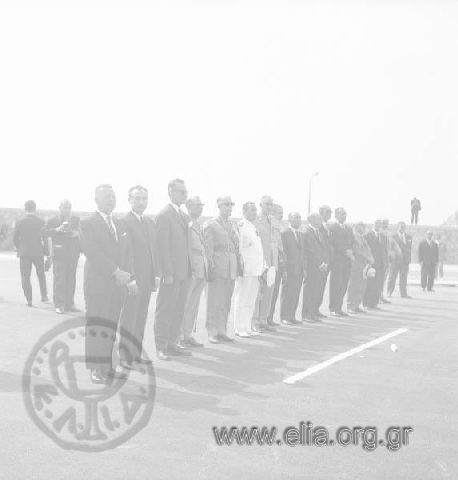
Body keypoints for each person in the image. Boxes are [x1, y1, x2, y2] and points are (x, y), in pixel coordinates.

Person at [81, 185, 137, 384]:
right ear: (95, 199)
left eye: (113, 196)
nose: (111, 200)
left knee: (111, 328)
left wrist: (128, 278)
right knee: (97, 327)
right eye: (106, 197)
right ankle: (95, 369)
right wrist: (115, 271)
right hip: (98, 285)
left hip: (117, 285)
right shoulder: (88, 223)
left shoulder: (119, 224)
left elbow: (126, 252)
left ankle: (107, 367)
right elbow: (92, 252)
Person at [118, 186, 158, 368]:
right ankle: (125, 356)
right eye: (137, 198)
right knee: (129, 317)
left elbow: (153, 251)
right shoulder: (124, 222)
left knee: (141, 316)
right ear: (130, 200)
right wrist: (131, 279)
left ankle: (136, 354)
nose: (141, 202)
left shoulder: (149, 223)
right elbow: (126, 255)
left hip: (147, 278)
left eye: (144, 198)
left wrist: (155, 275)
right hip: (133, 280)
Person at [154, 179, 192, 360]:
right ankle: (161, 346)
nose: (184, 195)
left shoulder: (184, 216)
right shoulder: (164, 215)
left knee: (178, 310)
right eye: (181, 192)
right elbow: (161, 247)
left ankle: (172, 343)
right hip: (171, 274)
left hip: (184, 273)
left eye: (185, 192)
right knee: (165, 310)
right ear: (170, 192)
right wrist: (166, 273)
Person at [204, 196, 239, 343]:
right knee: (214, 301)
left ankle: (222, 330)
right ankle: (212, 331)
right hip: (217, 266)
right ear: (218, 206)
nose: (229, 207)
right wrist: (210, 267)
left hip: (231, 267)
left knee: (225, 302)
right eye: (226, 205)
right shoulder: (211, 224)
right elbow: (208, 249)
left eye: (231, 205)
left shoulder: (232, 224)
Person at [43, 200, 81, 314]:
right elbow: (43, 232)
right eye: (65, 207)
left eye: (69, 207)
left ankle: (69, 304)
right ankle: (59, 304)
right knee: (60, 280)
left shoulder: (75, 219)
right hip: (59, 254)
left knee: (71, 280)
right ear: (59, 208)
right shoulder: (53, 220)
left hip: (73, 254)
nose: (67, 210)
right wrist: (57, 229)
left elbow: (82, 232)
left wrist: (77, 233)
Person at [234, 202, 264, 337]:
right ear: (244, 211)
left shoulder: (253, 227)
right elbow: (239, 249)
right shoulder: (241, 226)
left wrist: (263, 266)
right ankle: (239, 328)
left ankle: (247, 326)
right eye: (252, 210)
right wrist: (240, 267)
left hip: (256, 269)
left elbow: (258, 250)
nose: (255, 213)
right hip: (246, 269)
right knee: (242, 299)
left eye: (255, 210)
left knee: (251, 300)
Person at [181, 196, 207, 347]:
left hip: (201, 267)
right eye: (198, 205)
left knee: (193, 304)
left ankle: (187, 334)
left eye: (201, 205)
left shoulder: (197, 224)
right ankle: (178, 336)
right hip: (191, 268)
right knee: (184, 303)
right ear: (189, 206)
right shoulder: (185, 222)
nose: (201, 208)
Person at [13, 200, 49, 306]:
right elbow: (45, 238)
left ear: (25, 209)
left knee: (25, 276)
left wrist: (19, 248)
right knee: (41, 275)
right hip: (38, 251)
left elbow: (15, 239)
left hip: (24, 252)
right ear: (35, 208)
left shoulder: (20, 222)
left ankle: (29, 300)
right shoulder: (41, 221)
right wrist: (46, 252)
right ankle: (44, 296)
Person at [252, 196, 278, 332]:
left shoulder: (273, 221)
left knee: (268, 294)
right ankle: (255, 322)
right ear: (260, 205)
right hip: (260, 263)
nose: (270, 206)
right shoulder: (256, 220)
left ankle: (263, 320)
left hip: (272, 263)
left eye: (271, 204)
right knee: (257, 294)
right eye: (267, 204)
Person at [302, 213, 329, 322]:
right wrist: (320, 263)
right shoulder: (307, 232)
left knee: (317, 290)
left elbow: (324, 248)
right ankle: (307, 314)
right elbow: (310, 250)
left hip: (321, 266)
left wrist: (325, 262)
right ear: (311, 220)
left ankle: (313, 311)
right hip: (312, 266)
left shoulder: (318, 232)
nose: (321, 220)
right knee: (310, 290)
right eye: (318, 219)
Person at [280, 212, 305, 326]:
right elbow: (283, 252)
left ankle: (292, 316)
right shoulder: (284, 234)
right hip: (289, 268)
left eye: (299, 218)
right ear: (289, 220)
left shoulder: (301, 234)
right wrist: (284, 269)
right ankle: (284, 316)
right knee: (287, 293)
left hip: (299, 269)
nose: (298, 220)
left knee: (295, 293)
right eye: (296, 218)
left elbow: (303, 253)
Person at [329, 207, 354, 316]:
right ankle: (333, 308)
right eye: (341, 214)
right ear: (336, 215)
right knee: (336, 285)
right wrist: (345, 251)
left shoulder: (348, 228)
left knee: (343, 285)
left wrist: (350, 251)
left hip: (347, 261)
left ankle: (339, 307)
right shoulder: (332, 228)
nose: (344, 216)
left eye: (345, 214)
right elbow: (333, 243)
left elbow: (352, 242)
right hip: (337, 261)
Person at [347, 222, 374, 313]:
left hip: (364, 266)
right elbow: (357, 251)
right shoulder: (354, 237)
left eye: (364, 226)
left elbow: (368, 250)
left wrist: (371, 258)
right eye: (361, 226)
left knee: (362, 286)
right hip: (356, 265)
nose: (363, 228)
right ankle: (351, 306)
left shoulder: (363, 238)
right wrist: (368, 258)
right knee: (354, 286)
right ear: (356, 227)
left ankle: (357, 305)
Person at [267, 203, 284, 327]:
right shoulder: (271, 224)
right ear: (272, 213)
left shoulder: (279, 225)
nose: (282, 215)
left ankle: (269, 318)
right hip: (271, 262)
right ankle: (265, 318)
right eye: (279, 212)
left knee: (274, 292)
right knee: (269, 293)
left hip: (278, 262)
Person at [387, 221, 412, 298]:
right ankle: (389, 292)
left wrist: (408, 259)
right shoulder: (393, 236)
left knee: (403, 278)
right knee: (392, 277)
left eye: (403, 227)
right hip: (395, 261)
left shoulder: (409, 237)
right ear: (398, 227)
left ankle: (403, 294)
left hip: (405, 261)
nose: (402, 228)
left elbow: (409, 248)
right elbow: (390, 248)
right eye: (401, 226)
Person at [363, 219, 385, 310]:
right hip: (371, 264)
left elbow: (385, 250)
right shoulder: (368, 235)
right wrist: (368, 261)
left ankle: (374, 303)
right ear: (373, 224)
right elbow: (365, 249)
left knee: (378, 285)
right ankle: (367, 303)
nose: (378, 226)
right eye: (377, 224)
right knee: (370, 285)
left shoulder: (383, 236)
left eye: (380, 224)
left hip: (381, 264)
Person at [317, 205, 333, 318]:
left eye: (330, 212)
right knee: (316, 287)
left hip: (327, 262)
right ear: (321, 213)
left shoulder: (328, 227)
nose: (329, 215)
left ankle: (316, 309)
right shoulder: (318, 227)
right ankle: (311, 310)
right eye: (327, 212)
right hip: (320, 263)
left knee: (321, 286)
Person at [379, 219, 391, 304]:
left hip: (386, 260)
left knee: (383, 279)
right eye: (384, 224)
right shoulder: (380, 233)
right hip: (380, 260)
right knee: (379, 279)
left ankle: (381, 296)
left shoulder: (386, 233)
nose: (386, 225)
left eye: (387, 224)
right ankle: (378, 296)